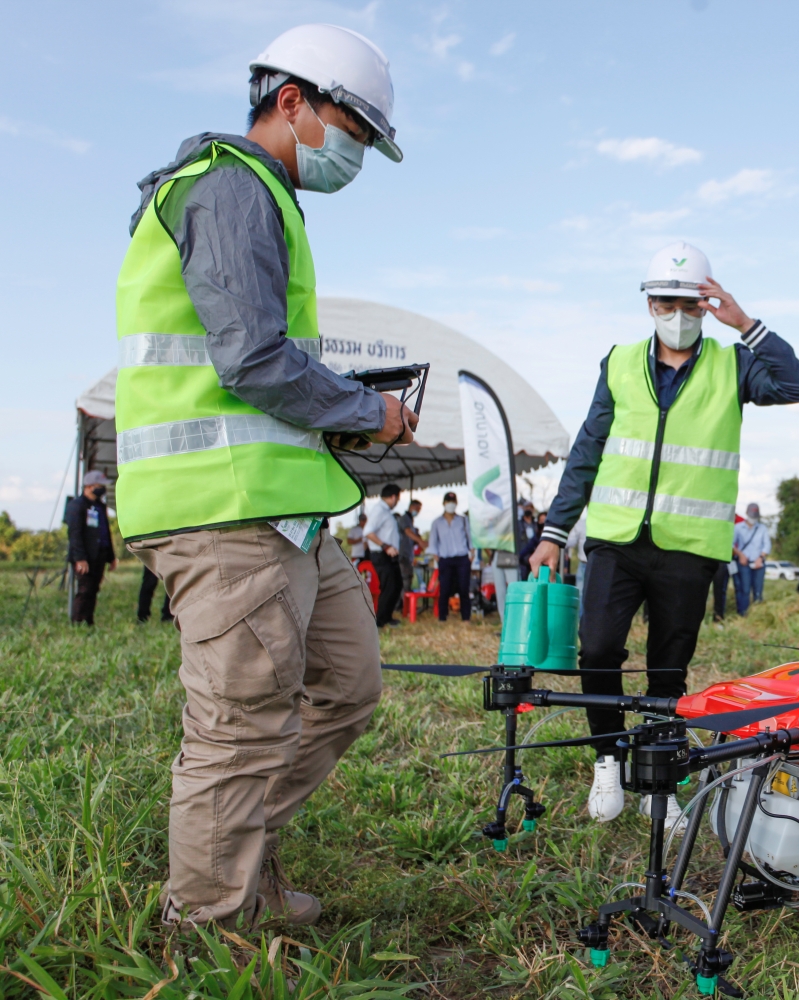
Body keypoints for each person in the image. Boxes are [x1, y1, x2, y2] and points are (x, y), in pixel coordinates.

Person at [116, 24, 412, 930]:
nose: (355, 154)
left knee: (347, 684)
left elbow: (258, 370)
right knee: (242, 725)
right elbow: (252, 362)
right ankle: (206, 929)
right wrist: (368, 413)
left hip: (287, 511)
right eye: (353, 132)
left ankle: (240, 856)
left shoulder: (269, 201)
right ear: (292, 101)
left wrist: (337, 420)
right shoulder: (231, 187)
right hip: (226, 512)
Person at [530, 241, 799, 825]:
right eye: (666, 300)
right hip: (615, 538)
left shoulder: (734, 365)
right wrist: (555, 532)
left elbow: (798, 385)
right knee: (599, 650)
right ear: (649, 303)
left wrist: (747, 325)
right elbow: (587, 449)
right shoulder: (619, 362)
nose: (677, 312)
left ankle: (661, 787)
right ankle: (607, 759)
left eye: (690, 301)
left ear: (707, 303)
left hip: (689, 548)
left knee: (668, 671)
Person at [67, 470, 116, 625]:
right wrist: (80, 558)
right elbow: (75, 534)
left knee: (94, 589)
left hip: (99, 554)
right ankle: (78, 620)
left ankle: (89, 620)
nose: (102, 489)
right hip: (85, 556)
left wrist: (111, 556)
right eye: (99, 485)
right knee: (84, 590)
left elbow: (105, 533)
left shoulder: (100, 507)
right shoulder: (77, 505)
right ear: (88, 486)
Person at [429, 491, 474, 622]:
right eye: (449, 502)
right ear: (444, 503)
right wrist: (436, 556)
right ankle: (442, 617)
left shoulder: (463, 520)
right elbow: (433, 541)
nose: (451, 505)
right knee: (445, 589)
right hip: (445, 558)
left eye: (453, 502)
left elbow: (470, 538)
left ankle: (466, 617)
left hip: (462, 558)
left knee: (464, 588)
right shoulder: (437, 522)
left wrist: (472, 553)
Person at [365, 484, 405, 626]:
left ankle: (387, 616)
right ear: (393, 497)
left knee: (396, 585)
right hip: (381, 554)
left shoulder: (384, 511)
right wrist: (385, 546)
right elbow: (368, 532)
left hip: (389, 554)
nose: (397, 502)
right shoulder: (379, 510)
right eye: (398, 499)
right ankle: (380, 620)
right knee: (389, 586)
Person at [732, 503, 772, 615]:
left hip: (758, 563)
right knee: (744, 590)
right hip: (744, 563)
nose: (753, 518)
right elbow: (731, 545)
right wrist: (740, 555)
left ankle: (757, 614)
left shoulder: (762, 528)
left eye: (755, 516)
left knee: (758, 590)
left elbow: (767, 545)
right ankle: (743, 614)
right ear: (747, 513)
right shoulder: (738, 527)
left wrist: (761, 557)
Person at [397, 498, 422, 596]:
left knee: (408, 578)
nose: (418, 512)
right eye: (417, 509)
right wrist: (420, 541)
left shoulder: (410, 520)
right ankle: (402, 604)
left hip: (408, 554)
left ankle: (404, 603)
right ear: (412, 507)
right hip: (402, 554)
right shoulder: (404, 519)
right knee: (405, 578)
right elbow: (407, 532)